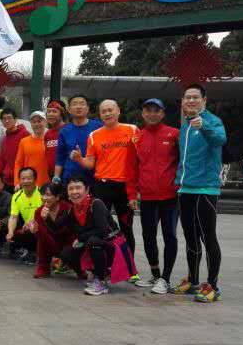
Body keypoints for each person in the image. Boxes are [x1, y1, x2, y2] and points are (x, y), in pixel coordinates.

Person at [71, 99, 139, 283]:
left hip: (124, 187)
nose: (107, 113)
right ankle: (101, 267)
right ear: (100, 115)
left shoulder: (132, 130)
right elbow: (90, 163)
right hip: (102, 186)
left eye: (110, 110)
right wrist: (79, 159)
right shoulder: (94, 135)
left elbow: (139, 158)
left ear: (118, 111)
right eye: (103, 111)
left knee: (126, 228)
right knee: (100, 228)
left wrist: (136, 190)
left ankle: (130, 270)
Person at [171, 84, 226, 303]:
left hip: (206, 189)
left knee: (208, 237)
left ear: (204, 100)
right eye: (187, 97)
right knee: (190, 238)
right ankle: (193, 280)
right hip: (185, 188)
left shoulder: (212, 121)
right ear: (183, 101)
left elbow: (220, 140)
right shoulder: (185, 124)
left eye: (195, 97)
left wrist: (204, 126)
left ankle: (212, 286)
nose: (191, 101)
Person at [133, 98, 180, 294]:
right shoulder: (137, 137)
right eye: (148, 110)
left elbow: (183, 161)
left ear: (163, 113)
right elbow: (133, 167)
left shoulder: (174, 134)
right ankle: (155, 274)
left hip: (170, 196)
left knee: (170, 236)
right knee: (148, 236)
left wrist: (178, 183)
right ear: (143, 114)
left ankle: (166, 279)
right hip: (148, 196)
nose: (152, 114)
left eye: (156, 110)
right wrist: (133, 193)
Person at [59, 175, 115, 296]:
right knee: (66, 253)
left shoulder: (96, 204)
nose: (74, 192)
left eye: (78, 188)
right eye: (71, 189)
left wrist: (80, 238)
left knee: (94, 241)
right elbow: (57, 226)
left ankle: (101, 281)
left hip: (111, 246)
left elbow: (102, 231)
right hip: (91, 243)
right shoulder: (72, 209)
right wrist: (44, 217)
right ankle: (94, 273)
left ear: (87, 190)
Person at [54, 94, 102, 184]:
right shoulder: (64, 131)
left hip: (94, 178)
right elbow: (60, 157)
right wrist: (56, 177)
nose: (78, 107)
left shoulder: (98, 127)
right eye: (75, 104)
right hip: (70, 179)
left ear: (87, 108)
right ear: (69, 109)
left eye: (82, 104)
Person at [29, 182, 71, 279]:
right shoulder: (38, 211)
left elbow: (65, 231)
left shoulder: (67, 208)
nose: (44, 198)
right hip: (49, 242)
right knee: (40, 234)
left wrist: (48, 219)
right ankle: (43, 267)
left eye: (48, 195)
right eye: (42, 195)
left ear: (57, 197)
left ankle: (78, 269)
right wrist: (34, 230)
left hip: (66, 242)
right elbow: (43, 235)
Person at [0, 108, 29, 193]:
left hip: (22, 181)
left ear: (15, 119)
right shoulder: (5, 139)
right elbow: (1, 162)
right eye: (4, 119)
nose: (7, 121)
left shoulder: (25, 135)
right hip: (7, 181)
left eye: (9, 118)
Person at [6, 167, 42, 264]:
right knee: (14, 235)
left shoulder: (42, 193)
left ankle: (39, 253)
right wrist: (10, 232)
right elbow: (13, 217)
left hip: (42, 226)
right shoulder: (16, 196)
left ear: (35, 179)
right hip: (28, 229)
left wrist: (33, 222)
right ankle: (31, 252)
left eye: (29, 178)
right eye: (23, 179)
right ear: (19, 180)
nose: (26, 181)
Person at [14, 111, 50, 189]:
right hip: (29, 184)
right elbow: (18, 163)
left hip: (47, 185)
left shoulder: (50, 140)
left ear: (45, 122)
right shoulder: (24, 141)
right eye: (34, 122)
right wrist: (17, 182)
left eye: (39, 121)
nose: (36, 124)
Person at [44, 99, 66, 177]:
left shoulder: (68, 129)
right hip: (51, 175)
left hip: (66, 174)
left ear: (61, 114)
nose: (51, 114)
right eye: (49, 112)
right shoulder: (48, 133)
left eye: (54, 111)